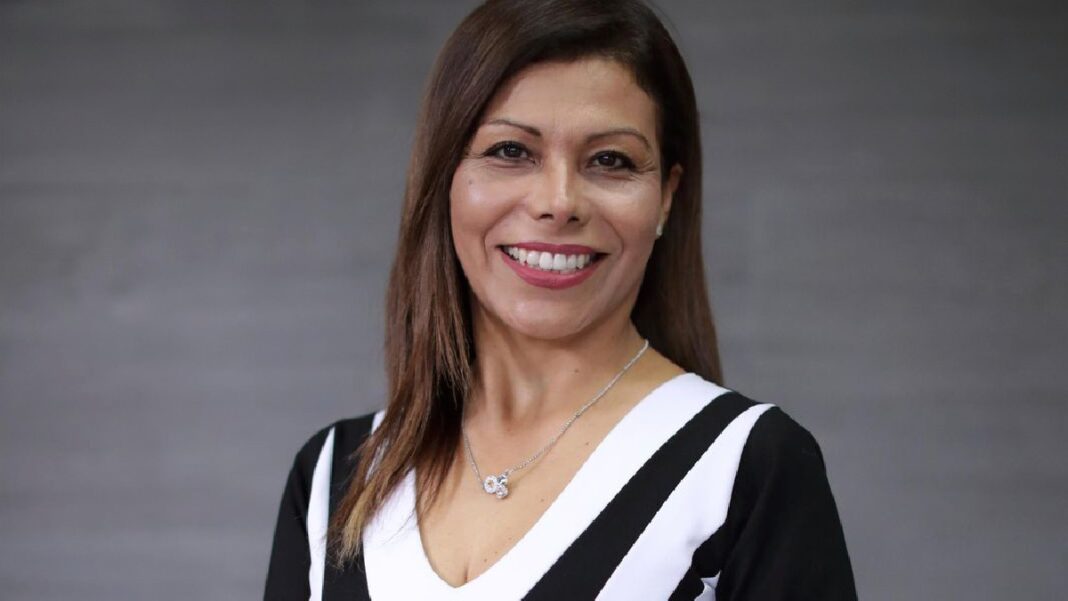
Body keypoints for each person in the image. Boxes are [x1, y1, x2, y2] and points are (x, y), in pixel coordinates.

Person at [265, 1, 857, 599]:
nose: (558, 202)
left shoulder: (744, 470)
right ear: (445, 176)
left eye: (610, 160)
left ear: (666, 197)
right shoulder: (334, 479)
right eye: (510, 151)